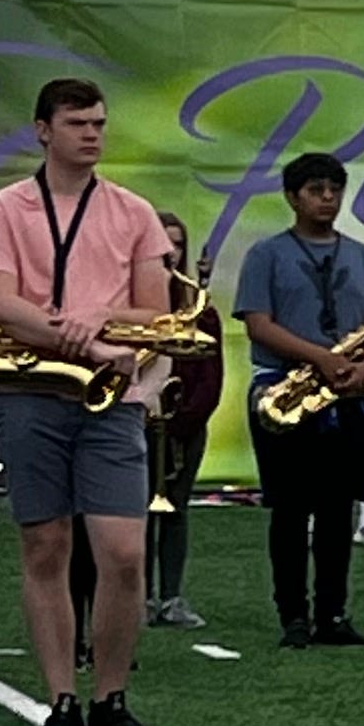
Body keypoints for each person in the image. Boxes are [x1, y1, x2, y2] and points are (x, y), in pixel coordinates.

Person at [0, 76, 174, 726]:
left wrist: (105, 317)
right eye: (77, 123)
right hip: (31, 392)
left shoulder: (132, 211)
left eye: (99, 122)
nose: (92, 133)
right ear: (42, 130)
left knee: (122, 553)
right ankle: (61, 698)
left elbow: (159, 313)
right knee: (45, 544)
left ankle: (111, 695)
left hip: (110, 399)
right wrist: (70, 334)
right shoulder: (5, 207)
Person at [232, 152, 364, 651]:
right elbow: (259, 323)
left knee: (337, 509)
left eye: (335, 190)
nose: (327, 199)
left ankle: (333, 613)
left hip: (344, 394)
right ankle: (293, 615)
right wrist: (320, 358)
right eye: (316, 190)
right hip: (286, 391)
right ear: (292, 196)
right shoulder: (266, 254)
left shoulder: (363, 256)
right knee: (289, 508)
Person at [126, 211, 223, 634]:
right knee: (137, 512)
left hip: (183, 429)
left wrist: (183, 421)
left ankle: (172, 596)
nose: (170, 255)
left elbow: (211, 376)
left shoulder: (200, 312)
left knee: (176, 509)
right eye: (161, 245)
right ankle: (139, 596)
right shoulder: (129, 309)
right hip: (137, 423)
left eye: (177, 246)